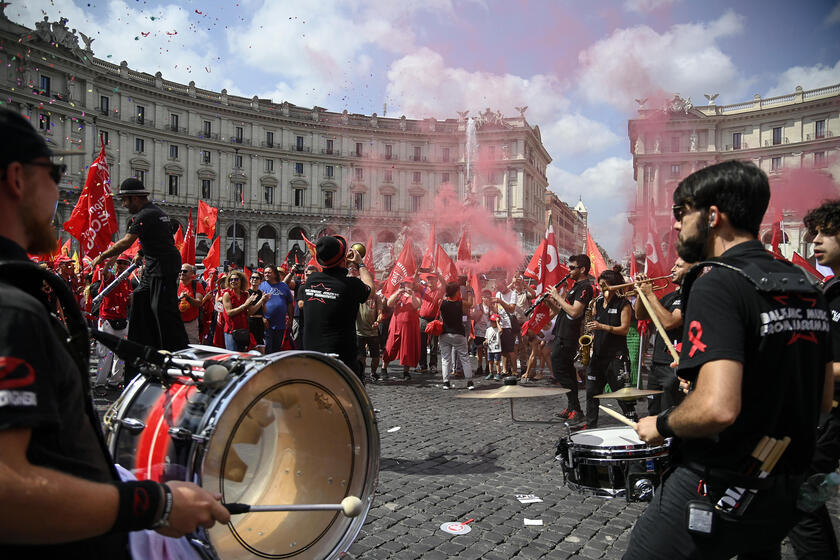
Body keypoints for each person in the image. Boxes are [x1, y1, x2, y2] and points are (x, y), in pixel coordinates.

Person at [0, 106, 229, 557]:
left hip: (157, 274)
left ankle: (163, 353)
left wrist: (105, 256)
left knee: (155, 312)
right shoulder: (14, 312)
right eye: (56, 172)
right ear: (16, 179)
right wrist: (152, 505)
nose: (62, 190)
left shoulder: (143, 220)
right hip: (81, 533)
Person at [624, 160, 833, 559]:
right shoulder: (808, 287)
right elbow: (820, 402)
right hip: (782, 489)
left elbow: (717, 409)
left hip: (718, 482)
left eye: (681, 213)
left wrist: (661, 424)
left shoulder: (717, 281)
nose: (677, 227)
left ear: (713, 216)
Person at [785, 200, 840, 559]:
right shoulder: (832, 290)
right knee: (799, 494)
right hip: (822, 410)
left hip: (834, 412)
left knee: (799, 495)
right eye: (814, 232)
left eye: (826, 232)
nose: (815, 240)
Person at [90, 178, 188, 352]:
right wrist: (141, 253)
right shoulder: (156, 213)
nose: (124, 204)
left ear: (135, 198)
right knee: (140, 299)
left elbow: (126, 242)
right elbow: (158, 237)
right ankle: (143, 345)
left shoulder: (145, 215)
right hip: (152, 265)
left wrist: (102, 256)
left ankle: (175, 348)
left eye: (125, 200)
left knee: (161, 307)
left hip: (162, 266)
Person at [303, 235, 373, 378]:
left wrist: (340, 263)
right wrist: (360, 264)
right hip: (341, 362)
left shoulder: (311, 280)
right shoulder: (351, 285)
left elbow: (334, 277)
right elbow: (370, 289)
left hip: (311, 358)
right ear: (342, 260)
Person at [634, 258, 692, 416]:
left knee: (669, 414)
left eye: (678, 266)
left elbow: (669, 322)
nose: (672, 269)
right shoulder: (670, 297)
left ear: (693, 269)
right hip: (657, 364)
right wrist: (641, 293)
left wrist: (650, 294)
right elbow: (641, 315)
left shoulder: (691, 295)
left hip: (673, 365)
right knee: (653, 413)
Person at [581, 268, 634, 429]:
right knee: (591, 392)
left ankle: (633, 422)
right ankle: (590, 426)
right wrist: (591, 335)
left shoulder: (623, 304)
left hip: (616, 356)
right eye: (600, 284)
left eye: (604, 284)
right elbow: (595, 324)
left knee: (621, 395)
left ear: (614, 285)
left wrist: (601, 326)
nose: (600, 287)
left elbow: (624, 329)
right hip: (598, 355)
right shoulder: (597, 302)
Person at [546, 254, 595, 423]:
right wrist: (550, 302)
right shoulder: (575, 287)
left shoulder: (585, 287)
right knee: (564, 370)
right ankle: (572, 406)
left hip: (569, 335)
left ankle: (576, 407)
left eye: (572, 268)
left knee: (560, 369)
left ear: (582, 269)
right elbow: (564, 312)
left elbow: (575, 312)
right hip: (562, 331)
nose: (569, 270)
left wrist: (558, 296)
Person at [93, 254, 133, 395]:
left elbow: (128, 302)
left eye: (124, 263)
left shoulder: (127, 282)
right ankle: (100, 383)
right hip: (107, 320)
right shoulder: (111, 278)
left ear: (128, 267)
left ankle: (115, 381)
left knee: (121, 354)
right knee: (106, 354)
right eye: (119, 263)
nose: (121, 265)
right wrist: (113, 256)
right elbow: (104, 272)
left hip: (122, 320)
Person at [439, 282, 475, 390]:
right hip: (459, 333)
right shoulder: (461, 303)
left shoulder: (442, 303)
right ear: (456, 292)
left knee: (445, 359)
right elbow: (471, 303)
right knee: (464, 358)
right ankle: (469, 382)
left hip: (445, 333)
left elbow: (442, 300)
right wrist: (468, 290)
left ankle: (446, 382)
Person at [384, 279, 422, 380]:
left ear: (413, 285)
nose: (407, 285)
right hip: (396, 324)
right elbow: (389, 304)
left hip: (409, 326)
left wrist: (412, 295)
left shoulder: (416, 294)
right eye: (406, 283)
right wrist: (398, 292)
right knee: (390, 346)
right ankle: (384, 368)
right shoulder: (399, 294)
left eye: (409, 283)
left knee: (407, 349)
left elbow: (417, 305)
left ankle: (406, 372)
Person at [222, 270, 266, 352]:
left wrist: (262, 301)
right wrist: (245, 305)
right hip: (231, 330)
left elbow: (250, 312)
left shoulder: (246, 294)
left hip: (244, 330)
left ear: (241, 281)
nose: (233, 281)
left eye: (236, 279)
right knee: (233, 357)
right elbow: (229, 313)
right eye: (231, 280)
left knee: (243, 356)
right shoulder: (227, 294)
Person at [259, 265, 294, 354]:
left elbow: (289, 303)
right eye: (265, 272)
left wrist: (290, 318)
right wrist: (263, 318)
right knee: (268, 349)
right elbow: (258, 304)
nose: (266, 274)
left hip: (280, 323)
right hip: (267, 323)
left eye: (269, 272)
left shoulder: (284, 286)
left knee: (277, 349)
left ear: (275, 274)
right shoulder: (261, 286)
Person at [417, 274, 444, 373]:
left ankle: (433, 365)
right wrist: (416, 273)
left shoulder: (439, 291)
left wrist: (438, 273)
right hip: (422, 320)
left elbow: (444, 284)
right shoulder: (423, 290)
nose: (430, 281)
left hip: (433, 320)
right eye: (429, 280)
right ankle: (422, 365)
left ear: (436, 281)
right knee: (422, 344)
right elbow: (415, 284)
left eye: (433, 280)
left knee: (433, 345)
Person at [177, 263, 207, 345]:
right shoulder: (174, 284)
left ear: (192, 274)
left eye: (185, 271)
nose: (182, 273)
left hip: (191, 324)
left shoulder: (197, 285)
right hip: (176, 322)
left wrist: (188, 298)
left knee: (192, 346)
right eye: (181, 271)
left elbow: (199, 303)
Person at [357, 291, 383, 381]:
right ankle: (362, 373)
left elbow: (380, 313)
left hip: (373, 331)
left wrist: (378, 321)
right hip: (359, 331)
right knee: (361, 356)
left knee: (375, 356)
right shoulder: (358, 295)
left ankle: (373, 373)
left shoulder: (376, 297)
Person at [485, 314, 503, 380]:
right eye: (491, 321)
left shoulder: (498, 329)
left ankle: (498, 373)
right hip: (490, 348)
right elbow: (486, 338)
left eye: (494, 322)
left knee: (497, 361)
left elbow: (501, 331)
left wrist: (498, 322)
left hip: (497, 348)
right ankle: (491, 373)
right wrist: (485, 342)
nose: (492, 323)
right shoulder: (488, 329)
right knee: (490, 361)